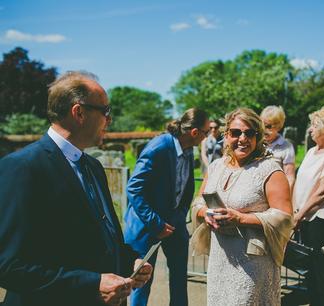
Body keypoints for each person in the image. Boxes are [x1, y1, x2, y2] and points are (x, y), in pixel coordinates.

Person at [0, 71, 152, 306]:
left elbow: (101, 238)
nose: (109, 120)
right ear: (79, 112)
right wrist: (91, 284)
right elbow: (8, 265)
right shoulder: (22, 168)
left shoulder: (93, 166)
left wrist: (129, 261)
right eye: (106, 111)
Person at [190, 108, 293, 305]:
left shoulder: (269, 169)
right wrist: (207, 213)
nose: (242, 139)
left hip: (252, 264)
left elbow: (284, 216)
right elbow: (198, 202)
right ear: (226, 134)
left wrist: (240, 218)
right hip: (219, 260)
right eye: (236, 133)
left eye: (250, 133)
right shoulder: (216, 167)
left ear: (258, 137)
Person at [124, 108, 209, 306]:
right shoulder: (159, 147)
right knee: (141, 282)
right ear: (195, 133)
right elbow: (134, 188)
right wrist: (156, 223)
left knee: (180, 277)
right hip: (147, 225)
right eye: (205, 132)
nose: (207, 136)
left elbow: (185, 186)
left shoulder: (188, 149)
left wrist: (179, 215)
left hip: (174, 224)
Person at [292, 107, 324, 306]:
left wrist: (299, 215)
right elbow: (301, 181)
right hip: (304, 216)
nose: (310, 130)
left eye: (315, 125)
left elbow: (323, 191)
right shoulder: (312, 151)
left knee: (320, 271)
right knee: (309, 271)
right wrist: (295, 211)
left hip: (319, 220)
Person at [260, 105, 296, 190]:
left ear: (279, 127)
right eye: (262, 125)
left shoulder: (286, 147)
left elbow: (289, 177)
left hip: (274, 190)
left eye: (268, 126)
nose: (264, 129)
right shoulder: (255, 142)